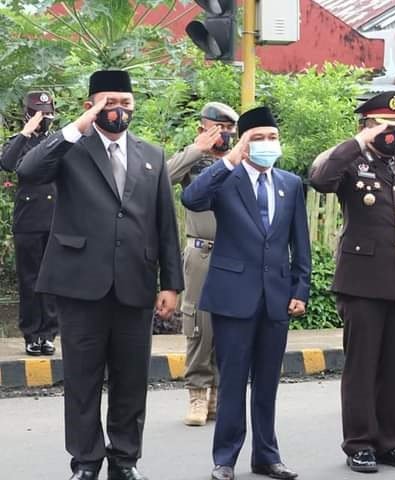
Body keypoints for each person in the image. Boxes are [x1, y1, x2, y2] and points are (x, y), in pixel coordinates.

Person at [16, 70, 184, 480]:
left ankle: (125, 459)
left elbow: (164, 223)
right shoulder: (71, 149)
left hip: (136, 284)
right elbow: (28, 169)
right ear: (91, 105)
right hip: (79, 284)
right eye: (109, 103)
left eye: (125, 103)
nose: (118, 111)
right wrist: (76, 127)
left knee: (131, 380)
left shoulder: (152, 155)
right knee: (82, 380)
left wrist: (170, 284)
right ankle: (86, 461)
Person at [309, 91, 395, 473]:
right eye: (387, 126)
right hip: (363, 281)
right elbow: (320, 179)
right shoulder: (352, 162)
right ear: (368, 125)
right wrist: (357, 143)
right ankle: (360, 443)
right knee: (362, 366)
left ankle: (390, 440)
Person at [181, 106, 311, 480]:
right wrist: (229, 161)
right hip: (232, 296)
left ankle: (267, 456)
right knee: (233, 380)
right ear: (242, 143)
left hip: (276, 296)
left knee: (268, 382)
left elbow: (299, 242)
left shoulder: (289, 183)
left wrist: (300, 288)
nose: (267, 144)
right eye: (258, 139)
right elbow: (192, 198)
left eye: (272, 138)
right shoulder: (226, 179)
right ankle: (225, 458)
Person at [167, 101, 239, 426]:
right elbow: (163, 178)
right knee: (198, 323)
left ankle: (219, 395)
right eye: (218, 128)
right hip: (202, 253)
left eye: (229, 130)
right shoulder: (194, 161)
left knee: (229, 324)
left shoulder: (239, 161)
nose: (224, 135)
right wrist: (197, 150)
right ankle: (197, 392)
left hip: (234, 254)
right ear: (203, 127)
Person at [0, 91, 58, 356]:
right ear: (27, 113)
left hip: (56, 219)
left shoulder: (57, 142)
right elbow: (7, 164)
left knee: (52, 279)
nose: (42, 118)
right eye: (37, 112)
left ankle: (48, 334)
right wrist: (25, 132)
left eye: (45, 113)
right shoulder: (19, 142)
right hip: (29, 220)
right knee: (30, 280)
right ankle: (31, 334)